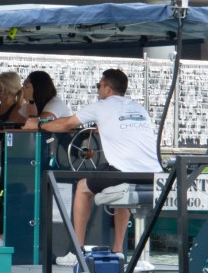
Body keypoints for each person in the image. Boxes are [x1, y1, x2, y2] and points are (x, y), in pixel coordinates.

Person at [24, 68, 161, 262]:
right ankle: (118, 250)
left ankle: (76, 252)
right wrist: (103, 128)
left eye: (99, 85)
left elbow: (65, 125)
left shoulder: (100, 106)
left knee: (82, 187)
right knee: (123, 188)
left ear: (107, 89)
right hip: (151, 174)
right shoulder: (138, 108)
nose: (98, 90)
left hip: (123, 171)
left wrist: (37, 125)